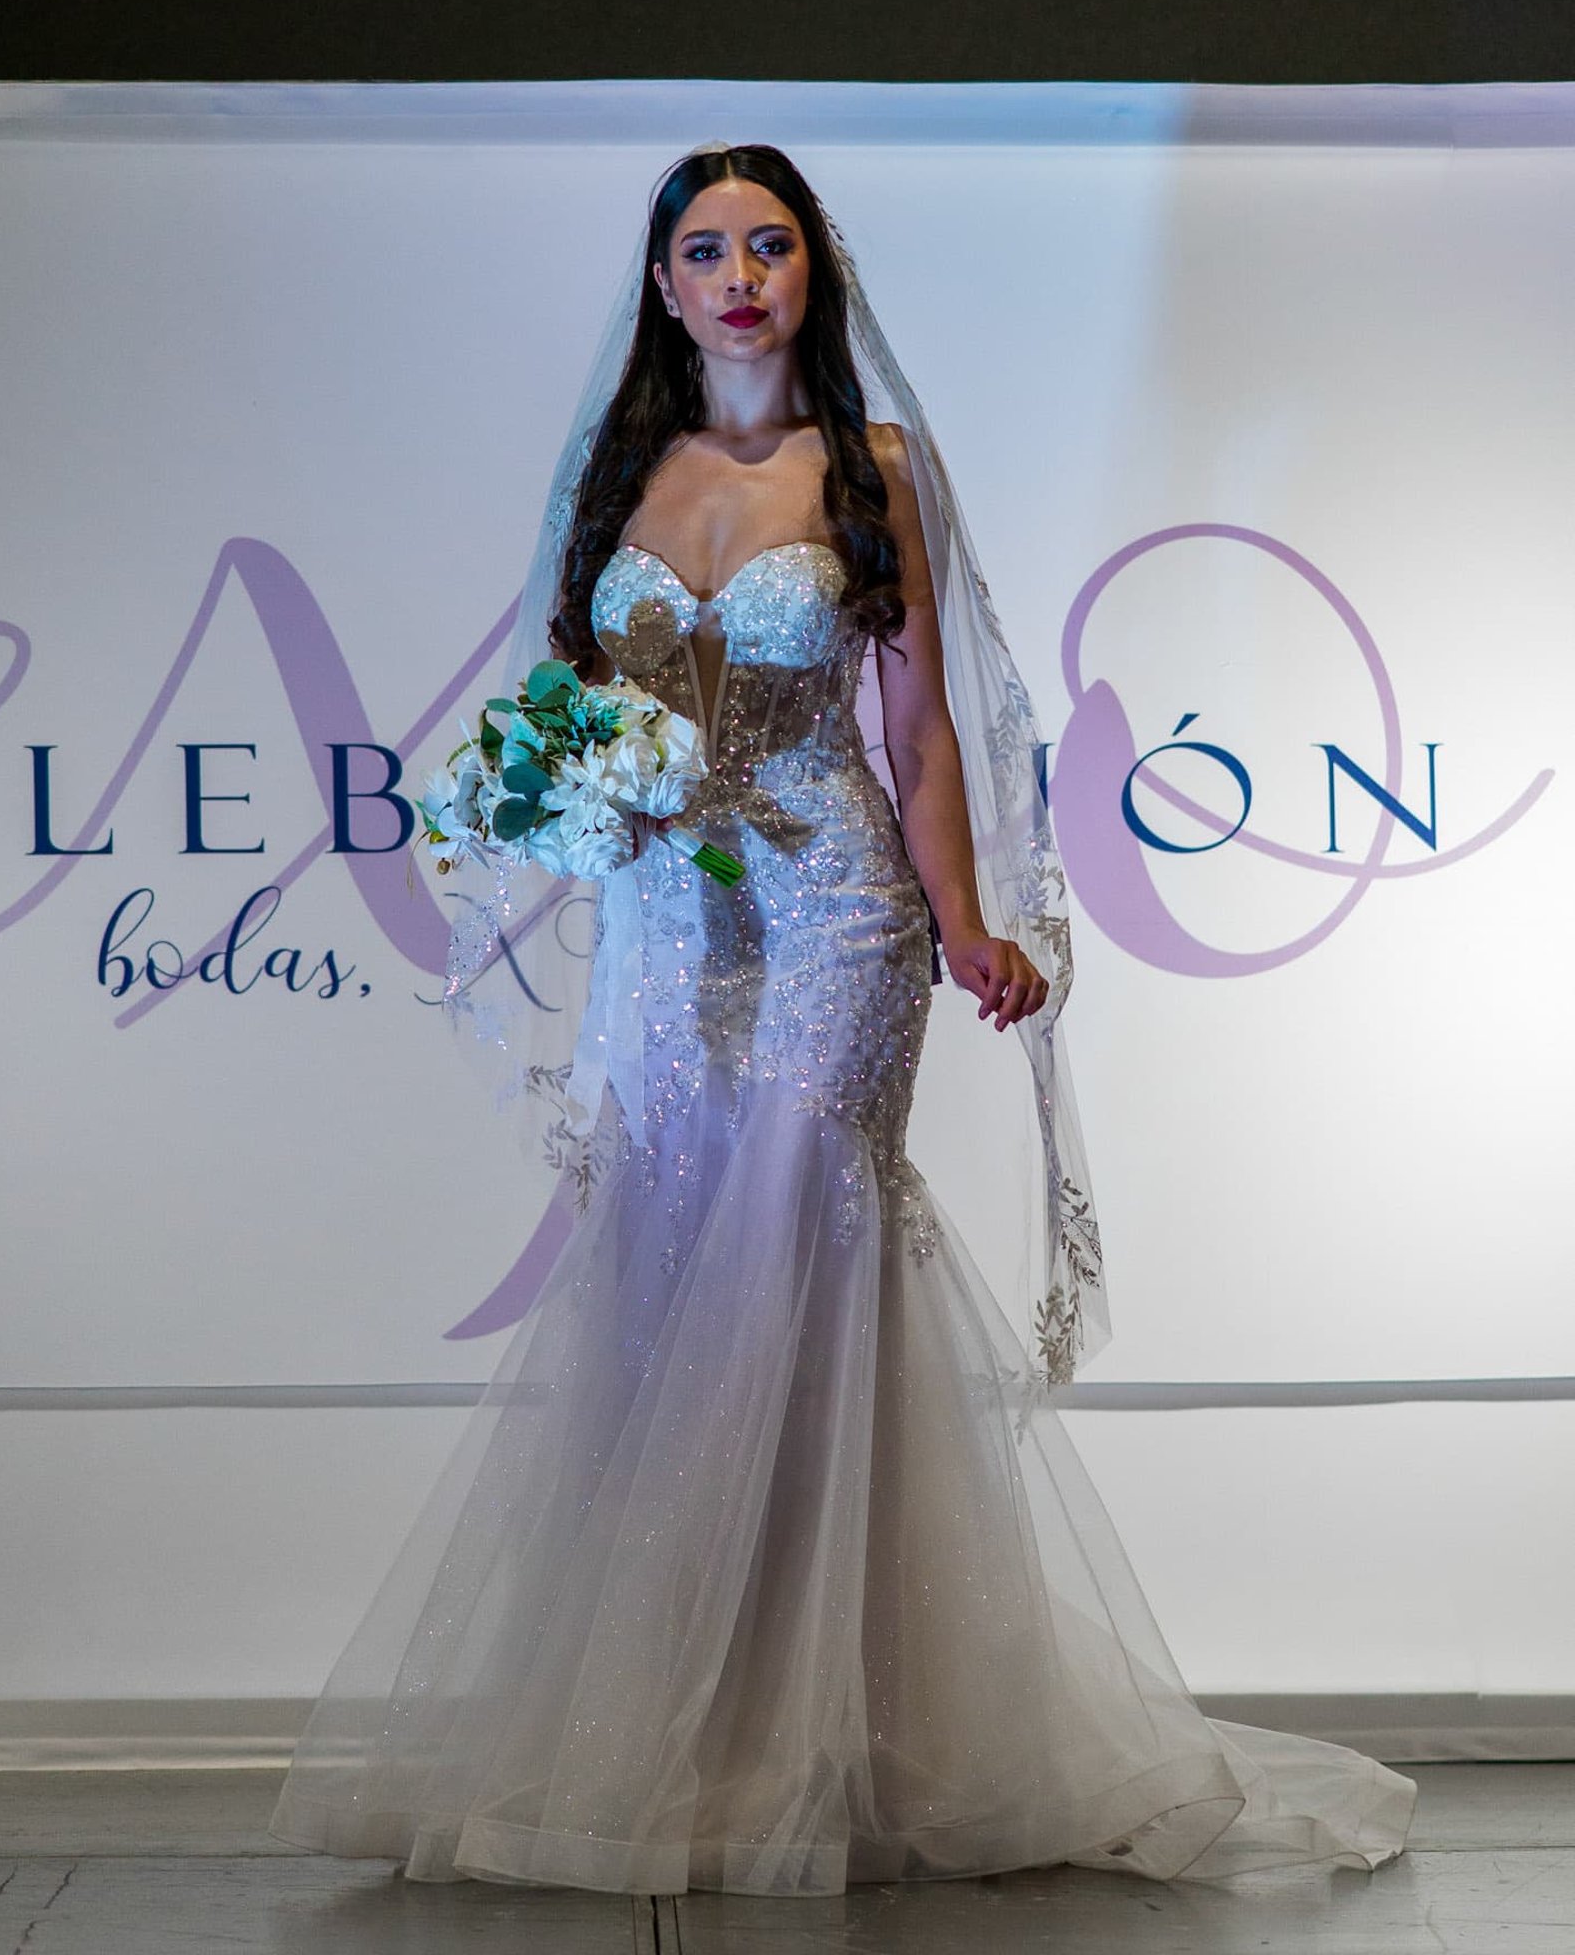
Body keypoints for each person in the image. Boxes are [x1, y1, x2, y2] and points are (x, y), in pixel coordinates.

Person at [266, 143, 1418, 1897]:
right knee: (667, 1262)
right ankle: (681, 1714)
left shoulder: (876, 468)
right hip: (667, 921)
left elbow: (925, 727)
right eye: (706, 249)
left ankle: (835, 1727)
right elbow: (570, 715)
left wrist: (965, 922)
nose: (740, 275)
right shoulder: (618, 475)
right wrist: (584, 806)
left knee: (804, 1238)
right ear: (663, 287)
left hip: (837, 910)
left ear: (817, 271)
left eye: (771, 244)